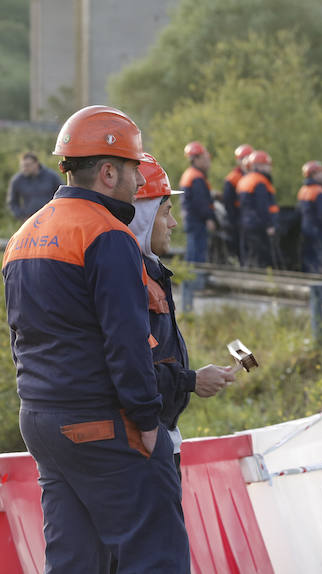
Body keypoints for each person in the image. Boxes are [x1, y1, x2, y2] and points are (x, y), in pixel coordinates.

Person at [1, 105, 189, 572]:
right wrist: (148, 423)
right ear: (107, 171)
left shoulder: (25, 235)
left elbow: (19, 337)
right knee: (155, 554)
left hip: (42, 420)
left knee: (73, 561)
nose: (137, 184)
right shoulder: (107, 235)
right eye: (131, 170)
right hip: (104, 423)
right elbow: (126, 343)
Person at [129, 154, 236, 476]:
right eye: (166, 212)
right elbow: (130, 366)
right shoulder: (127, 277)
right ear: (143, 217)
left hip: (155, 435)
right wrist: (191, 380)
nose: (174, 223)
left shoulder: (148, 271)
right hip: (141, 443)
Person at [237, 150, 279, 268]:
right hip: (259, 225)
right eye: (266, 165)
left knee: (249, 256)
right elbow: (263, 206)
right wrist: (269, 224)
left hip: (246, 223)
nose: (269, 168)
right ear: (258, 165)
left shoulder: (245, 179)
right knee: (261, 258)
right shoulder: (260, 181)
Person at [179, 141, 216, 262]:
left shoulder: (189, 174)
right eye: (205, 158)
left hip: (191, 219)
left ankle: (189, 280)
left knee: (192, 254)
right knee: (197, 257)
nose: (208, 162)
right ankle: (194, 281)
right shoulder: (197, 177)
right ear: (196, 159)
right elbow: (201, 202)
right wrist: (209, 218)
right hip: (197, 221)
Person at [296, 160, 322, 274]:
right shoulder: (319, 191)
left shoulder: (303, 190)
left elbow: (299, 211)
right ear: (314, 174)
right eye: (321, 172)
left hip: (305, 230)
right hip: (317, 231)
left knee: (307, 260)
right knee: (317, 261)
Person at [6, 151, 62, 221]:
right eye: (22, 166)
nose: (24, 168)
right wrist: (21, 216)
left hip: (51, 218)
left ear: (36, 164)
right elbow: (12, 202)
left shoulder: (52, 176)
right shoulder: (17, 180)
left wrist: (58, 213)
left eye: (27, 165)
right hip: (29, 221)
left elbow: (62, 195)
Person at [223, 144, 254, 262]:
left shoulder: (253, 176)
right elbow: (228, 201)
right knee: (241, 247)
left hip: (248, 218)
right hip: (237, 217)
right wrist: (233, 220)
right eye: (243, 158)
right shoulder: (233, 178)